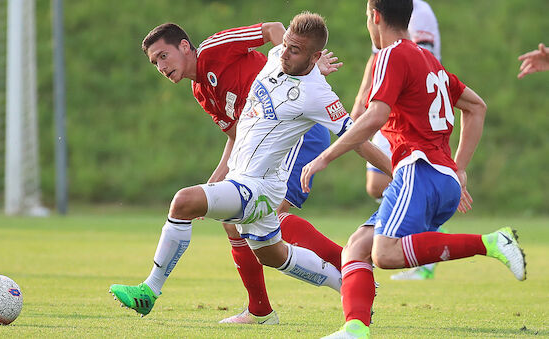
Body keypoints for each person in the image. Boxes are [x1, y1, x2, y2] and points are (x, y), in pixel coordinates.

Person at [109, 12, 392, 321]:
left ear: (186, 47)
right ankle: (334, 286)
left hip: (284, 156)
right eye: (155, 62)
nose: (161, 66)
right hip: (251, 173)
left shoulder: (224, 52)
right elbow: (238, 136)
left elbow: (357, 138)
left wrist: (307, 71)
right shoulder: (215, 84)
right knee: (268, 250)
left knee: (188, 202)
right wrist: (216, 182)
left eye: (164, 56)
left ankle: (150, 289)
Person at [299, 1, 527, 337]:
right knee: (357, 248)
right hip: (438, 177)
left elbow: (374, 116)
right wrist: (458, 170)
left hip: (418, 171)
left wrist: (325, 157)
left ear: (374, 16)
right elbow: (476, 107)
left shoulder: (390, 55)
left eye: (366, 17)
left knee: (385, 254)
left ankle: (492, 242)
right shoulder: (428, 59)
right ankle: (354, 330)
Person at [351, 0, 444, 281]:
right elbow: (376, 56)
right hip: (388, 98)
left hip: (407, 106)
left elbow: (419, 60)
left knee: (397, 179)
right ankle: (413, 221)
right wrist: (360, 100)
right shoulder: (384, 11)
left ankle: (424, 237)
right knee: (376, 184)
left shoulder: (418, 11)